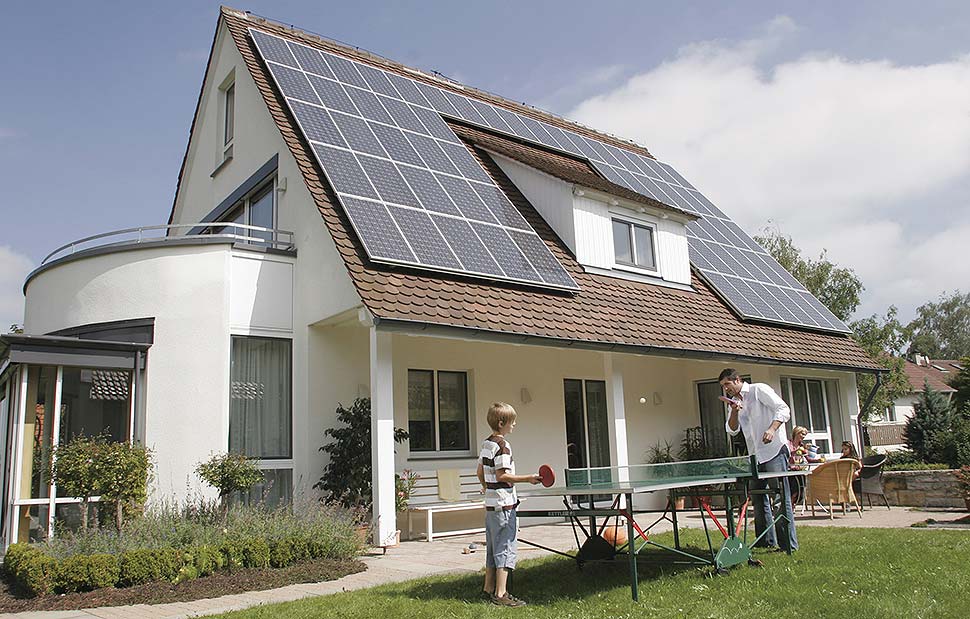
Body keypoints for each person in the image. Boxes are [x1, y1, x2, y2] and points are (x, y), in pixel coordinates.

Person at [720, 368, 798, 553]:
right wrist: (733, 411)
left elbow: (783, 409)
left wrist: (772, 429)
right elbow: (732, 430)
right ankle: (766, 541)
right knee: (758, 498)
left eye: (727, 384)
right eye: (723, 386)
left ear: (737, 380)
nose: (725, 389)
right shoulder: (736, 402)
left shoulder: (758, 390)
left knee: (780, 498)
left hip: (774, 451)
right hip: (755, 455)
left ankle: (788, 546)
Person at [477, 402, 540, 607]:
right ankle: (501, 594)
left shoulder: (487, 444)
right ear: (502, 423)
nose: (514, 425)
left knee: (492, 548)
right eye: (512, 421)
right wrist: (529, 478)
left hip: (491, 504)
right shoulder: (503, 445)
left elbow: (480, 472)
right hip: (504, 505)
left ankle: (488, 588)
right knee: (505, 547)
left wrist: (487, 487)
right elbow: (503, 474)